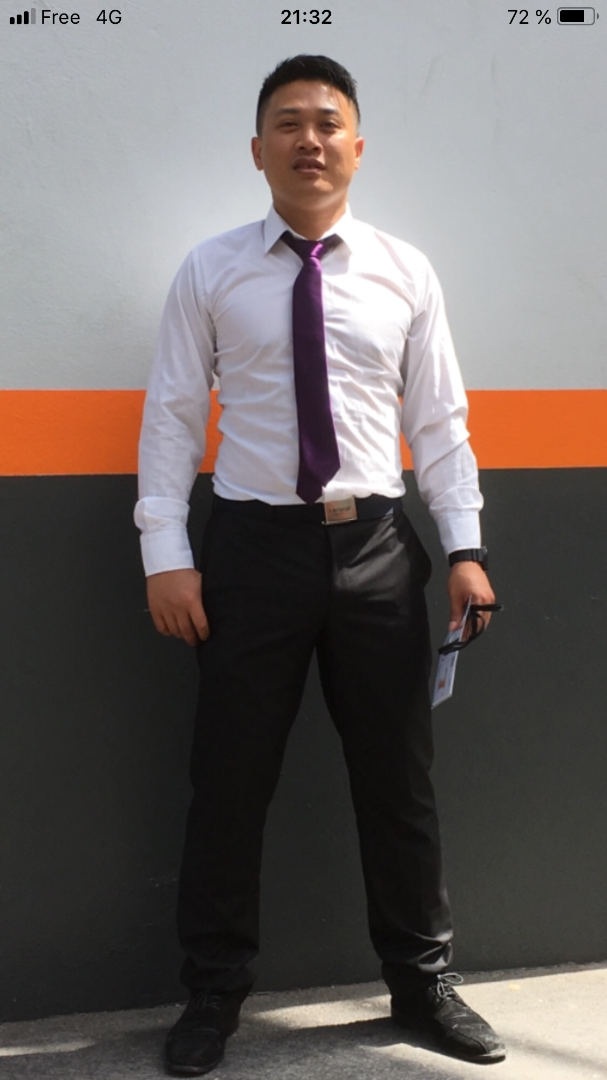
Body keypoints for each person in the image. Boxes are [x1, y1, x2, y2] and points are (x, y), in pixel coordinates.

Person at [134, 54, 506, 1076]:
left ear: (356, 146)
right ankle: (213, 994)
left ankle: (420, 984)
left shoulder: (403, 270)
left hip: (377, 548)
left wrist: (465, 547)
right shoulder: (211, 270)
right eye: (288, 122)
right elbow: (171, 416)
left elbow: (440, 421)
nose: (309, 139)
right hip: (249, 553)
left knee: (397, 782)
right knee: (228, 782)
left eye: (327, 122)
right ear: (256, 150)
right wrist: (165, 554)